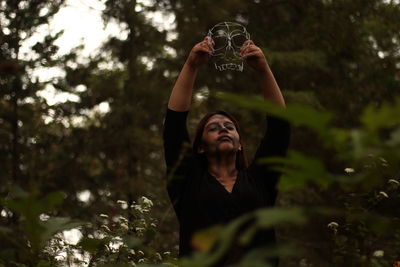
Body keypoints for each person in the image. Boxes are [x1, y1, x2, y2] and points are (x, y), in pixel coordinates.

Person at [163, 36, 291, 266]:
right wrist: (191, 65)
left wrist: (263, 69)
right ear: (200, 147)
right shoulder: (188, 182)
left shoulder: (260, 180)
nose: (223, 129)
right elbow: (173, 126)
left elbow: (280, 127)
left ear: (240, 143)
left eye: (229, 126)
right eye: (213, 128)